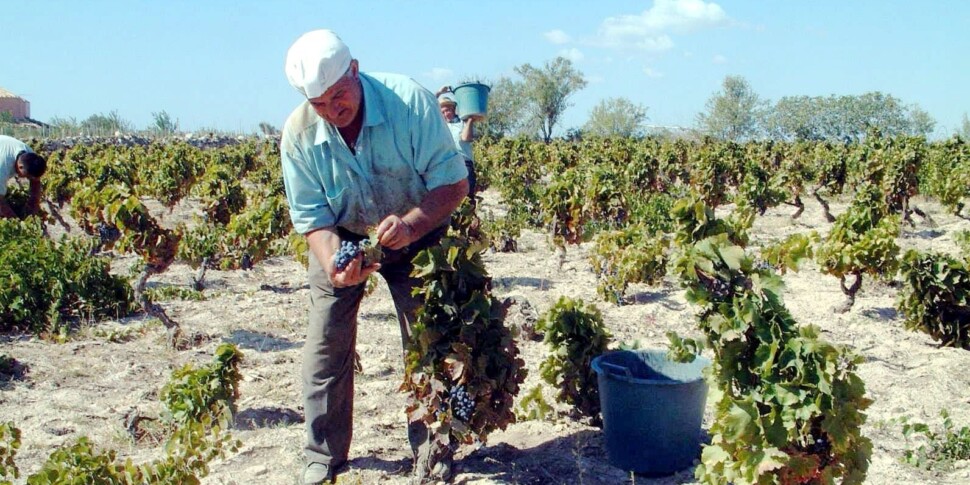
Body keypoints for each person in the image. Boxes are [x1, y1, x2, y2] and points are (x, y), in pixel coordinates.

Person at [280, 30, 469, 484]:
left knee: (428, 342)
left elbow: (454, 184)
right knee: (325, 342)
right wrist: (334, 264)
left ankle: (434, 449)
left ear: (355, 70)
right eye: (319, 104)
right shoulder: (299, 134)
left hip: (418, 225)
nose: (332, 110)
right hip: (344, 233)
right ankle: (323, 456)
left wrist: (412, 225)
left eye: (338, 96)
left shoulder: (410, 104)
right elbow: (312, 218)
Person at [434, 87, 482, 198]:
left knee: (467, 196)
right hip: (446, 163)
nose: (446, 114)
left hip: (464, 163)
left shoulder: (462, 123)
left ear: (454, 109)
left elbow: (466, 138)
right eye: (443, 112)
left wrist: (470, 120)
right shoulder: (439, 124)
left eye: (448, 110)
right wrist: (440, 92)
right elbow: (428, 103)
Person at [0, 135, 46, 219]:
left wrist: (34, 203)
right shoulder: (3, 166)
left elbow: (35, 181)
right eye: (27, 176)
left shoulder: (31, 157)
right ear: (20, 166)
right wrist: (16, 222)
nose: (26, 178)